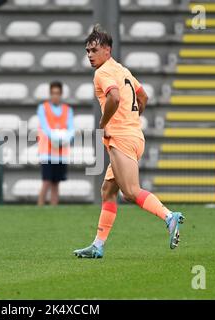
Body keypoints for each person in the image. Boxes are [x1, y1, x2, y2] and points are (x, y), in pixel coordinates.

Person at [73, 25, 185, 259]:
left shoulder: (102, 73)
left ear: (107, 50)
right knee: (108, 190)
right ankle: (98, 245)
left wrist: (103, 125)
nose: (90, 55)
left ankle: (168, 216)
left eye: (94, 50)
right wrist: (133, 117)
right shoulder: (122, 70)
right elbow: (143, 96)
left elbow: (113, 97)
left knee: (131, 192)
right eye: (87, 51)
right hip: (134, 135)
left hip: (121, 137)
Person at [37, 81, 74, 206]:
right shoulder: (43, 108)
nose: (55, 96)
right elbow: (44, 126)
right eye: (53, 93)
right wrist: (55, 138)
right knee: (46, 181)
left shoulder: (68, 110)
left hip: (61, 153)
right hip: (47, 152)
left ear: (61, 94)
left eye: (57, 93)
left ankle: (54, 209)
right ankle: (39, 208)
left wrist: (65, 138)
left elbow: (71, 129)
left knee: (56, 182)